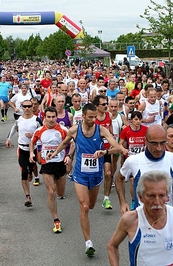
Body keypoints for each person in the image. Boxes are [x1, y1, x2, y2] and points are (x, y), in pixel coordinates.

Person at [47, 103, 122, 257]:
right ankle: (88, 243)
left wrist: (105, 151)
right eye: (90, 117)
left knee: (92, 205)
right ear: (84, 116)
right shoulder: (75, 130)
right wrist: (55, 154)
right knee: (85, 206)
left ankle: (88, 235)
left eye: (95, 117)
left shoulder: (101, 130)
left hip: (95, 175)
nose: (93, 120)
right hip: (80, 174)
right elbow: (65, 142)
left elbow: (117, 147)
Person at [108, 170, 173, 266]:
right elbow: (112, 246)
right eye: (151, 196)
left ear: (167, 197)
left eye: (161, 195)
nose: (157, 202)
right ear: (141, 197)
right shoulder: (131, 220)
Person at [116, 124, 173, 214]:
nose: (159, 148)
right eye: (154, 143)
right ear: (146, 141)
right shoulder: (133, 161)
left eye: (163, 143)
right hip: (142, 219)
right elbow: (119, 179)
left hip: (166, 218)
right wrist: (123, 202)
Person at [30, 106, 69, 233]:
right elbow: (32, 142)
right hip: (47, 163)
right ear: (44, 118)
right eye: (49, 117)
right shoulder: (39, 130)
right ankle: (56, 220)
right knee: (51, 192)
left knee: (60, 193)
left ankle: (59, 193)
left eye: (53, 117)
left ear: (57, 117)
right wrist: (31, 153)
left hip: (60, 163)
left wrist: (69, 156)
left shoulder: (63, 130)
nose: (51, 120)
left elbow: (72, 144)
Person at [6, 99, 42, 205]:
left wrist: (34, 136)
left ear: (32, 107)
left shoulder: (36, 120)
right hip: (22, 149)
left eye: (29, 106)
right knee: (23, 173)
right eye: (24, 106)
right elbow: (14, 128)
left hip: (33, 149)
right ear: (22, 107)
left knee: (32, 167)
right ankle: (27, 197)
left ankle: (32, 172)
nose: (27, 108)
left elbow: (42, 134)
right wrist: (8, 138)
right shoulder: (19, 120)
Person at [119, 111, 148, 210]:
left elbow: (149, 142)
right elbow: (120, 143)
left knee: (142, 181)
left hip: (142, 159)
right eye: (136, 119)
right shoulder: (126, 130)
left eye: (139, 119)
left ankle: (142, 199)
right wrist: (123, 149)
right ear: (131, 120)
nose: (138, 121)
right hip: (131, 159)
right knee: (132, 181)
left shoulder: (146, 129)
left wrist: (146, 147)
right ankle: (133, 200)